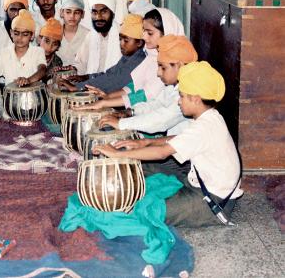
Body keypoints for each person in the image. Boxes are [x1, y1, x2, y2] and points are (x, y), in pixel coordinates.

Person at [94, 61, 243, 228]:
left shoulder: (204, 126)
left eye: (182, 96)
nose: (179, 102)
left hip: (213, 202)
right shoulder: (211, 116)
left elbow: (162, 153)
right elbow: (180, 137)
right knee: (143, 170)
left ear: (195, 99)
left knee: (146, 211)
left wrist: (118, 154)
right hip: (202, 185)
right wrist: (147, 141)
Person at [82, 7, 184, 109]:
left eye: (150, 33)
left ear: (166, 32)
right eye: (144, 31)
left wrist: (106, 102)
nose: (144, 37)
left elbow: (145, 95)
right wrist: (107, 97)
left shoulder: (170, 64)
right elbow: (134, 85)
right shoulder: (152, 54)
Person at [98, 35, 198, 136]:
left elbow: (160, 120)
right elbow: (155, 104)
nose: (158, 73)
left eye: (163, 68)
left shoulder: (188, 96)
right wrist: (130, 112)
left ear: (180, 66)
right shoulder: (172, 88)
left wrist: (120, 124)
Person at [60, 13, 147, 94]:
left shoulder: (138, 60)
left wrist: (78, 87)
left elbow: (114, 82)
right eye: (120, 39)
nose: (121, 44)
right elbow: (109, 74)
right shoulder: (128, 57)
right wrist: (86, 77)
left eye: (126, 40)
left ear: (139, 43)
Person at [0, 9, 46, 86]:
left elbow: (42, 70)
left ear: (32, 36)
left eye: (25, 34)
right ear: (11, 33)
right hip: (10, 97)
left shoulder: (38, 51)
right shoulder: (3, 53)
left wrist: (28, 80)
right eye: (16, 33)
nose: (20, 38)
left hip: (34, 97)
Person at [73, 0, 122, 75]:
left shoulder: (123, 36)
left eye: (104, 12)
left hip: (117, 86)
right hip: (92, 85)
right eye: (94, 12)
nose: (98, 17)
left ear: (113, 14)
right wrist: (73, 69)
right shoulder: (91, 36)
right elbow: (81, 63)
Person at [57, 0, 89, 67]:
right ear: (61, 13)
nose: (72, 16)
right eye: (68, 12)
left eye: (77, 12)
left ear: (82, 14)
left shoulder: (88, 35)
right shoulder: (53, 33)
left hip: (81, 77)